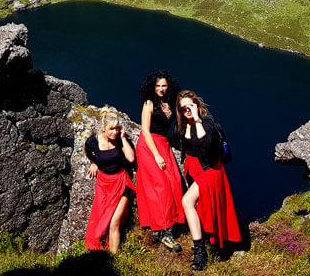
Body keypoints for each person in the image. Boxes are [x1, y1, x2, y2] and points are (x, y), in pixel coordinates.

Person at [176, 90, 241, 271]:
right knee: (199, 206)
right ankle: (207, 241)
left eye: (189, 106)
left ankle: (200, 253)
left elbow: (205, 144)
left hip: (210, 171)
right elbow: (180, 144)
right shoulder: (181, 126)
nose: (186, 110)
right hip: (193, 169)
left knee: (187, 202)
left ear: (196, 105)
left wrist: (197, 119)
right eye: (183, 108)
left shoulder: (207, 124)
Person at [135, 71, 184, 252]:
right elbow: (145, 131)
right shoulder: (149, 104)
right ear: (152, 87)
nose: (161, 89)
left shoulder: (170, 103)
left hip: (164, 144)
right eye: (158, 86)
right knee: (161, 187)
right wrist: (156, 155)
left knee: (176, 182)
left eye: (164, 85)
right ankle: (164, 230)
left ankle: (167, 224)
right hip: (149, 147)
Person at [84, 107, 136, 253]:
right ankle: (105, 254)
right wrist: (93, 163)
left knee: (114, 223)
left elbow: (131, 158)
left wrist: (124, 138)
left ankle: (114, 258)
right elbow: (87, 150)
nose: (115, 132)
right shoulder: (93, 142)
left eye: (117, 128)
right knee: (101, 219)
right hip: (104, 184)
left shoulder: (119, 140)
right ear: (103, 129)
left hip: (122, 183)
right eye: (111, 129)